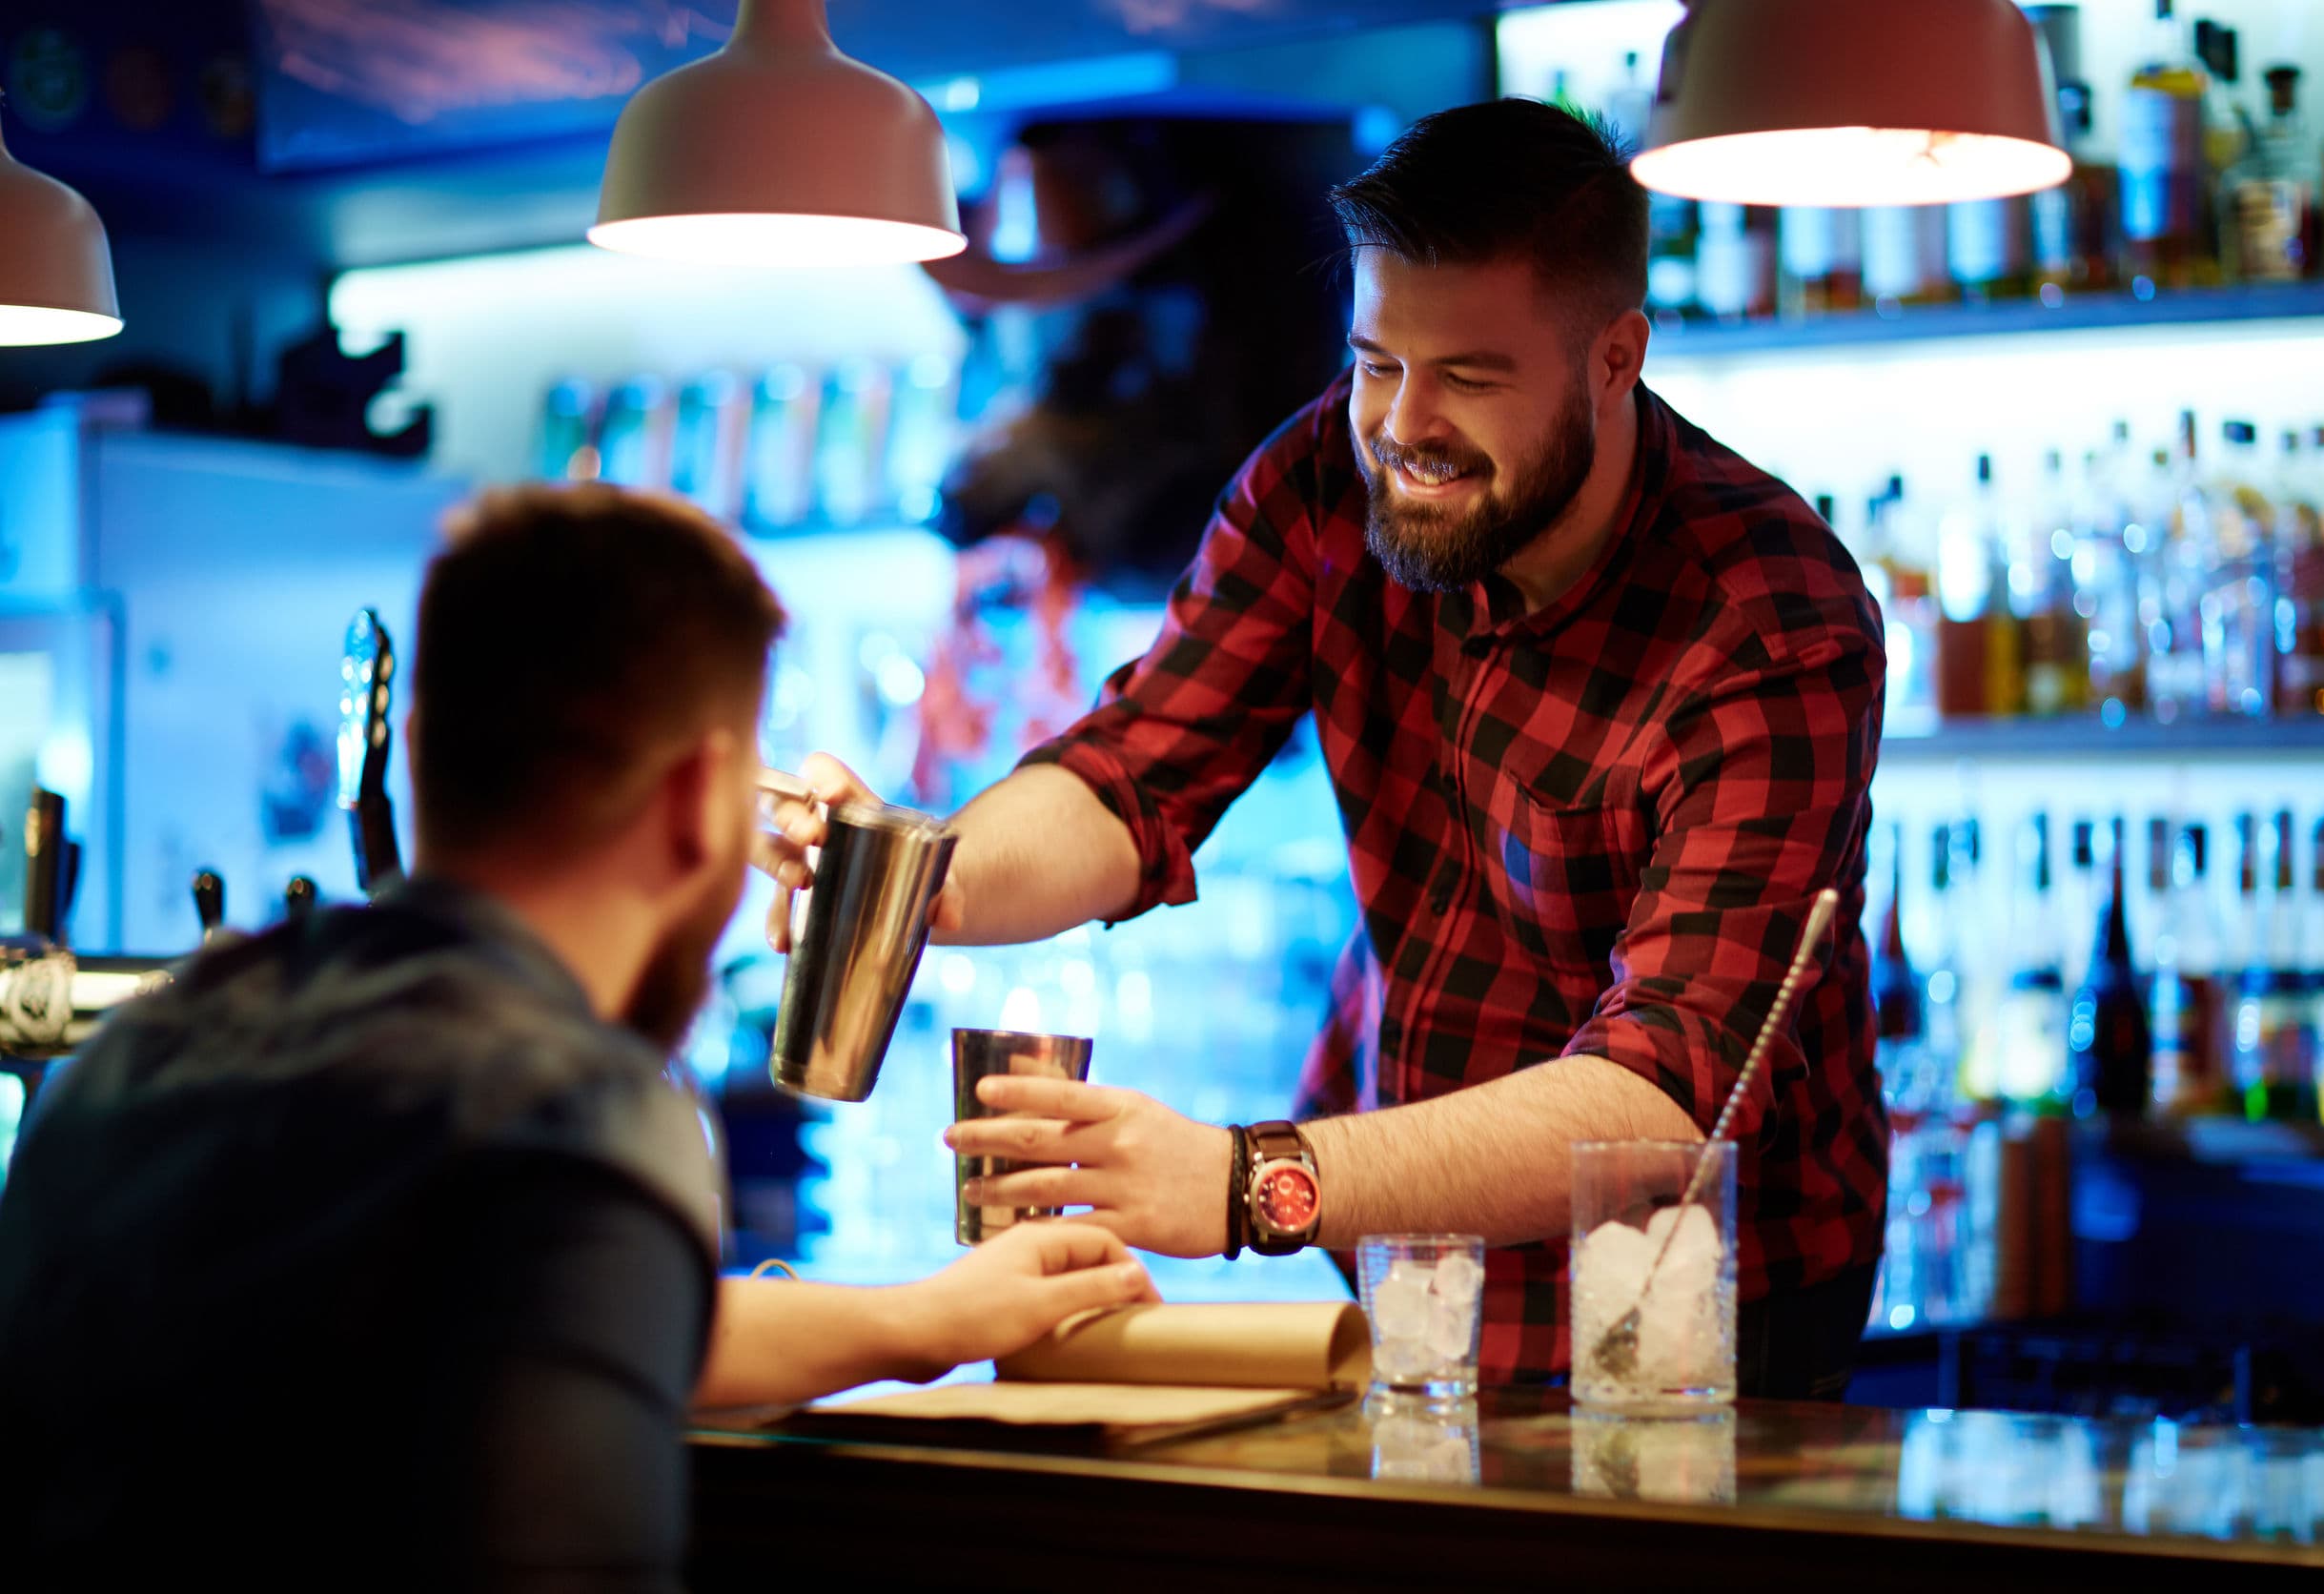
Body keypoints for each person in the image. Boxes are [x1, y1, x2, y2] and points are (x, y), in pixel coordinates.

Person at [758, 100, 1887, 1398]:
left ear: (1615, 359)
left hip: (1704, 1300)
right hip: (1414, 1258)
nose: (1404, 426)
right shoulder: (1321, 484)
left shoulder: (1770, 616)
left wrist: (1246, 1181)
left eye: (1469, 375)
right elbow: (1137, 773)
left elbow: (1662, 1096)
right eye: (1376, 361)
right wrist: (924, 877)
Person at [0, 485, 1153, 1589]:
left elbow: (525, 1314)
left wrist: (922, 1320)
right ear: (708, 791)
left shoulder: (132, 1058)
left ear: (425, 752)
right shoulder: (579, 1114)